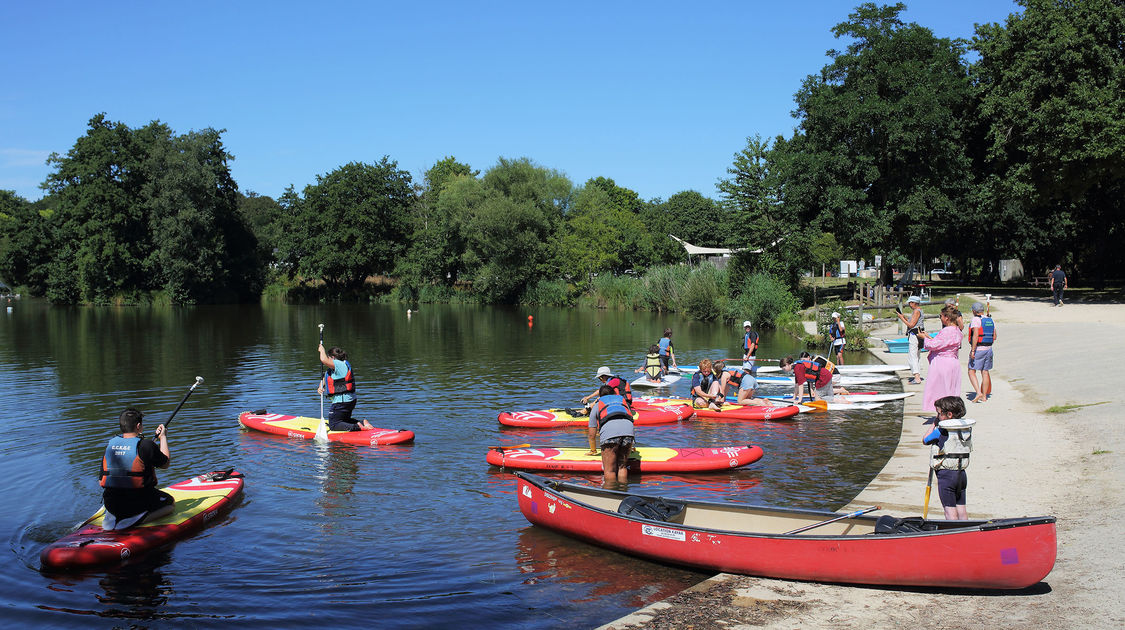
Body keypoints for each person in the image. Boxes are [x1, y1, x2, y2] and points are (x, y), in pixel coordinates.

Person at [100, 408, 175, 527]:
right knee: (170, 504)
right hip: (136, 505)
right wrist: (163, 437)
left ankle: (114, 516)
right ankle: (137, 520)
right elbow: (165, 464)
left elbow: (102, 478)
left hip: (111, 504)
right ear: (139, 426)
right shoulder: (146, 445)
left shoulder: (110, 445)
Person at [922, 395, 973, 520]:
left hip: (946, 476)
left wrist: (934, 423)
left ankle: (955, 536)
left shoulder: (941, 430)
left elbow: (925, 439)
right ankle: (965, 534)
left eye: (939, 414)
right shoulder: (965, 428)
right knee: (961, 509)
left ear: (949, 414)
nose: (938, 417)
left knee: (949, 511)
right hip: (961, 474)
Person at [318, 343, 375, 431]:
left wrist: (322, 350)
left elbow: (323, 360)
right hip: (349, 400)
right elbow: (325, 377)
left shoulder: (339, 364)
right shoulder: (336, 368)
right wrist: (320, 386)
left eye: (329, 357)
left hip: (341, 402)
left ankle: (357, 427)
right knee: (343, 420)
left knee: (333, 425)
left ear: (332, 357)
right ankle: (362, 422)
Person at [587, 384, 635, 485]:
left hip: (610, 434)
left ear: (600, 396)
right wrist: (632, 445)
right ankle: (623, 491)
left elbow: (592, 434)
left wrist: (593, 450)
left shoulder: (597, 404)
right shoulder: (622, 402)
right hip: (628, 432)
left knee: (610, 470)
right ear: (614, 394)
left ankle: (610, 496)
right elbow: (630, 419)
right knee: (622, 466)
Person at [921, 304, 964, 414]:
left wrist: (924, 338)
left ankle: (943, 411)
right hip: (953, 362)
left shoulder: (947, 331)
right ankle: (951, 410)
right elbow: (944, 344)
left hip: (943, 363)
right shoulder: (958, 331)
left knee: (940, 389)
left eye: (941, 316)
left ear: (947, 318)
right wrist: (929, 337)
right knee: (950, 388)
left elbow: (934, 345)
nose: (940, 318)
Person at [967, 302, 997, 403]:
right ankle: (984, 396)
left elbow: (975, 335)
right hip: (989, 349)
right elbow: (995, 336)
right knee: (985, 372)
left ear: (974, 311)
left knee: (971, 371)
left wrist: (973, 350)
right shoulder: (990, 319)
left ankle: (978, 392)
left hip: (979, 349)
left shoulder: (976, 319)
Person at [895, 296, 925, 384]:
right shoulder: (919, 310)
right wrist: (904, 317)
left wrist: (901, 319)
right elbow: (913, 321)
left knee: (912, 356)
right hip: (919, 334)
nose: (909, 305)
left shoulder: (916, 311)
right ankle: (917, 375)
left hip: (915, 335)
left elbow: (911, 325)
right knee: (917, 355)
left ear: (913, 303)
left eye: (910, 303)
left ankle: (917, 377)